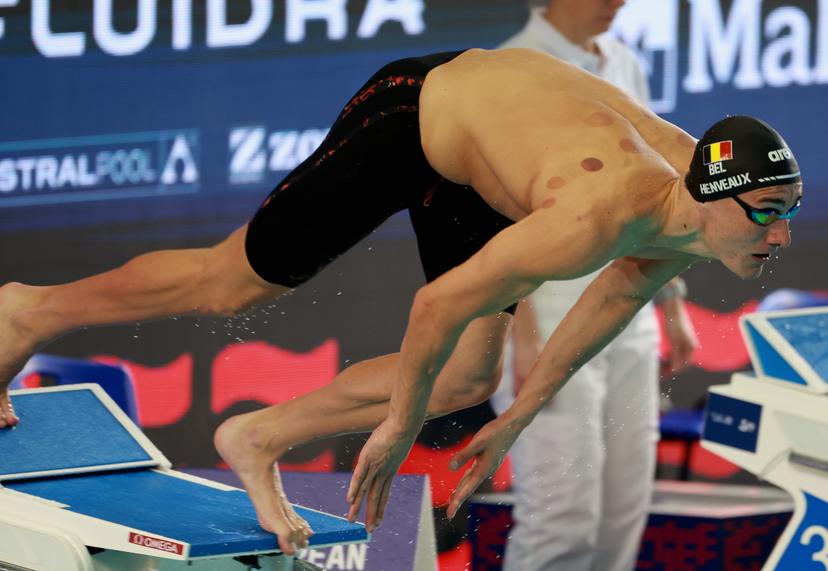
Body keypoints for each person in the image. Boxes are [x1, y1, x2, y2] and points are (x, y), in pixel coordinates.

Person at [0, 48, 802, 557]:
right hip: (413, 113)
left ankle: (256, 435)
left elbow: (623, 290)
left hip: (496, 151)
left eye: (787, 213)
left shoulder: (689, 211)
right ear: (714, 197)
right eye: (766, 213)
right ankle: (28, 310)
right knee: (229, 282)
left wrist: (515, 417)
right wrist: (396, 424)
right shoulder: (592, 217)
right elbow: (436, 305)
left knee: (466, 380)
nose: (779, 236)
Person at [487, 2, 697, 570]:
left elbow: (661, 194)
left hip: (628, 305)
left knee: (622, 510)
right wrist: (518, 331)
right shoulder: (511, 71)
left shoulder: (624, 63)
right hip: (549, 311)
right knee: (562, 515)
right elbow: (491, 213)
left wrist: (671, 306)